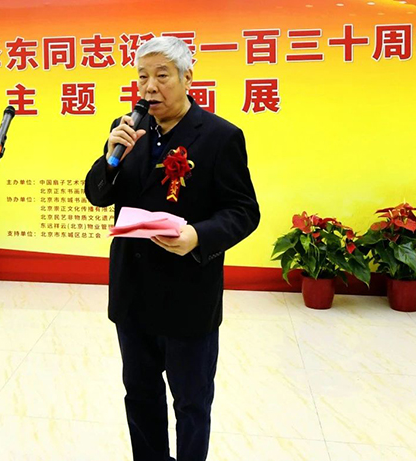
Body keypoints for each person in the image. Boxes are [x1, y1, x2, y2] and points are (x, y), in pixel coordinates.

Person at [84, 36, 260, 461]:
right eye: (142, 76)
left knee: (192, 404)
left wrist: (197, 236)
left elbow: (243, 211)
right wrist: (110, 157)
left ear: (187, 77)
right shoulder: (128, 129)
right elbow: (97, 194)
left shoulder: (219, 136)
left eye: (162, 75)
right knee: (140, 397)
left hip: (188, 296)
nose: (150, 87)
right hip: (133, 294)